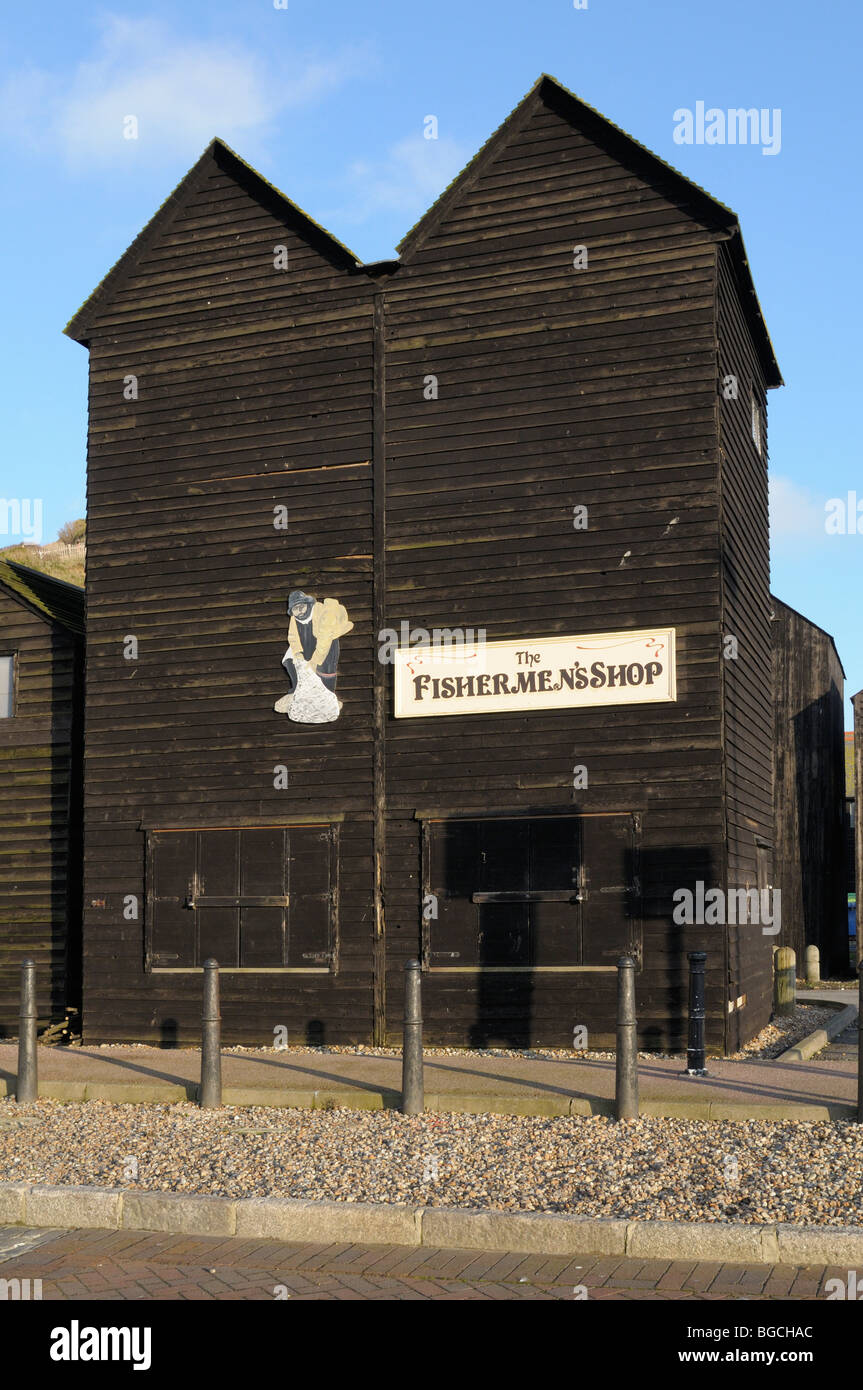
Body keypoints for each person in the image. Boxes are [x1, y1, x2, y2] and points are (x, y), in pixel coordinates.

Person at [274, 590, 353, 721]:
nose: (299, 611)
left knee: (326, 664)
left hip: (327, 639)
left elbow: (324, 641)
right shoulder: (295, 619)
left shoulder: (324, 614)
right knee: (289, 659)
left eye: (301, 607)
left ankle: (329, 694)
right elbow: (293, 637)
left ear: (308, 604)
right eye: (295, 609)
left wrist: (314, 661)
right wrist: (298, 653)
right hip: (308, 640)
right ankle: (296, 689)